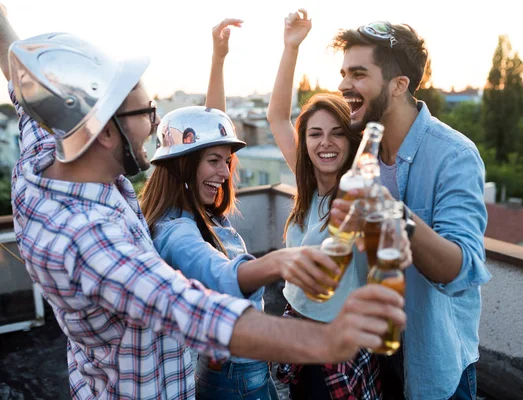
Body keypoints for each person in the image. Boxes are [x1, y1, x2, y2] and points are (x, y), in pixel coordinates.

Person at [0, 8, 407, 399]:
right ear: (105, 131)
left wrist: (219, 58)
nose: (156, 125)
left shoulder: (54, 155)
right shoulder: (89, 241)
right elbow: (189, 310)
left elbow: (23, 78)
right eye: (147, 112)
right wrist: (326, 338)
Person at [140, 19, 347, 399]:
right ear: (184, 165)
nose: (225, 171)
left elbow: (206, 134)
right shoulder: (178, 231)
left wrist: (218, 59)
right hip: (236, 373)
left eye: (225, 161)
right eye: (215, 163)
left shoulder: (193, 209)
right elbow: (219, 275)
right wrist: (279, 262)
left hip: (239, 366)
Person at [329, 21, 492, 400]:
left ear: (398, 85)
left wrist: (395, 214)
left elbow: (462, 268)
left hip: (434, 361)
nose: (342, 86)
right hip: (374, 355)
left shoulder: (454, 155)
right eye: (342, 74)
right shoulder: (363, 149)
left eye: (358, 74)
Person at [267, 10, 413, 400]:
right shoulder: (308, 187)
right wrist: (290, 46)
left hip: (338, 344)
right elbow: (278, 117)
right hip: (298, 331)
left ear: (352, 143)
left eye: (336, 134)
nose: (325, 143)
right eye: (315, 134)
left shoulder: (357, 194)